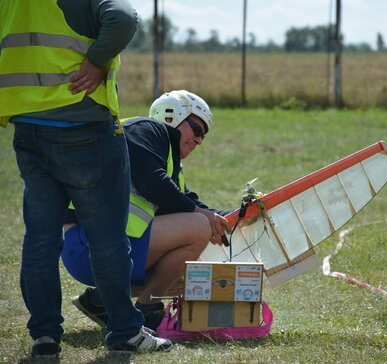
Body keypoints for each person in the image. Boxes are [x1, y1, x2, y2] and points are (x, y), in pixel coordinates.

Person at [0, 0, 173, 357]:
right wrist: (96, 62)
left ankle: (45, 337)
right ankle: (125, 331)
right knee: (108, 240)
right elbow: (123, 18)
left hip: (28, 127)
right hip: (86, 129)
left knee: (40, 241)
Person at [61, 90, 232, 331]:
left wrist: (240, 213)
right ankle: (145, 312)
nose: (200, 140)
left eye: (203, 135)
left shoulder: (165, 159)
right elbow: (152, 182)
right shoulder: (147, 128)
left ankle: (100, 301)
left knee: (185, 274)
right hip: (87, 244)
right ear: (172, 116)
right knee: (198, 228)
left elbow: (191, 203)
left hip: (97, 248)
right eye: (197, 129)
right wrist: (205, 218)